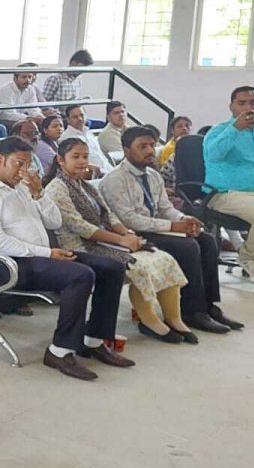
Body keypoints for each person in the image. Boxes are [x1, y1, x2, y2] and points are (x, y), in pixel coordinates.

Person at [0, 137, 133, 380]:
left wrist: (39, 194)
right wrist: (48, 253)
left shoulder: (23, 188)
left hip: (44, 257)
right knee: (80, 275)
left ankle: (93, 340)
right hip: (12, 264)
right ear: (0, 160)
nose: (24, 170)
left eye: (28, 164)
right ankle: (60, 351)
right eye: (19, 163)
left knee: (112, 268)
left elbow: (55, 222)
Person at [45, 138, 192, 343]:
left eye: (85, 156)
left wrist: (127, 234)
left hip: (103, 240)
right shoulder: (56, 188)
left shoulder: (86, 185)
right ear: (60, 160)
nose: (82, 161)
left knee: (163, 258)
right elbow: (80, 226)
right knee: (139, 266)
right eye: (75, 157)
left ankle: (174, 318)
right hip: (78, 246)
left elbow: (109, 215)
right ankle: (150, 321)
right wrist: (121, 241)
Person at [100, 127, 241, 334]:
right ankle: (192, 311)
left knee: (207, 240)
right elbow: (129, 219)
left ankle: (209, 305)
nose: (150, 151)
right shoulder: (115, 179)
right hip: (131, 234)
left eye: (151, 145)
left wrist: (184, 219)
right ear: (126, 150)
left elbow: (165, 208)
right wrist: (173, 226)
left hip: (156, 228)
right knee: (188, 246)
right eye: (142, 147)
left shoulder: (153, 175)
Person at [203, 85, 254, 286]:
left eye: (253, 102)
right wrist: (235, 129)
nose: (249, 107)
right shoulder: (219, 131)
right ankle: (248, 257)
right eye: (242, 103)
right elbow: (212, 155)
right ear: (231, 107)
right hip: (224, 194)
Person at [63, 104, 113, 176]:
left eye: (82, 115)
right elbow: (72, 163)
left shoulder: (88, 133)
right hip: (92, 175)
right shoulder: (67, 138)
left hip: (108, 170)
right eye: (75, 117)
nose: (80, 119)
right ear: (68, 120)